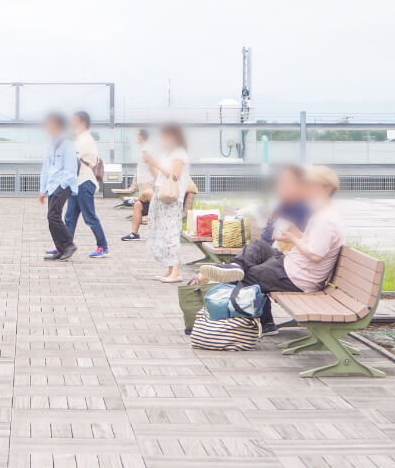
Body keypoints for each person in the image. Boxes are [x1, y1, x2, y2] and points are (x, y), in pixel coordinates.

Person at [201, 166, 343, 332]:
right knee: (258, 247)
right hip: (292, 265)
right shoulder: (321, 213)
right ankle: (235, 267)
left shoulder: (326, 220)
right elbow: (311, 243)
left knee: (249, 276)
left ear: (326, 189)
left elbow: (315, 255)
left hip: (298, 277)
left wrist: (293, 239)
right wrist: (294, 233)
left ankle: (256, 323)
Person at [144, 124, 190, 283]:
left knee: (171, 233)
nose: (164, 140)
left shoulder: (180, 153)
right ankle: (170, 269)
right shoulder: (167, 153)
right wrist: (151, 164)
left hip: (172, 198)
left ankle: (176, 271)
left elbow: (175, 175)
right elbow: (160, 176)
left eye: (167, 136)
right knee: (164, 233)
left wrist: (156, 163)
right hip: (161, 195)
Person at [63, 111, 108, 257]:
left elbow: (72, 156)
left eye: (74, 120)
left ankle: (103, 246)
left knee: (89, 216)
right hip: (77, 183)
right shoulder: (79, 138)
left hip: (84, 182)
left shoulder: (85, 139)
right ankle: (65, 246)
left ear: (82, 122)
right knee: (69, 217)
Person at [39, 113, 79, 261]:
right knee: (51, 218)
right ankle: (61, 249)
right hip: (52, 185)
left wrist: (61, 186)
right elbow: (46, 168)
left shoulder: (67, 144)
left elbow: (70, 169)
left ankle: (69, 244)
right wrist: (43, 190)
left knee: (53, 216)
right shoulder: (51, 145)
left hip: (63, 185)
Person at [260, 164, 311, 245]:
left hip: (281, 254)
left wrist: (297, 234)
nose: (279, 187)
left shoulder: (305, 210)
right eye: (279, 182)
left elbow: (308, 245)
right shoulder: (281, 206)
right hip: (263, 250)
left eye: (286, 182)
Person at [122, 129, 153, 241]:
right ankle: (134, 233)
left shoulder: (147, 149)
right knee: (140, 203)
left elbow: (152, 165)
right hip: (143, 181)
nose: (136, 138)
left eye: (137, 136)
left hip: (147, 181)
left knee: (148, 202)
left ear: (141, 136)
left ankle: (134, 200)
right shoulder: (144, 148)